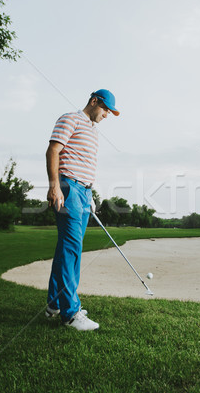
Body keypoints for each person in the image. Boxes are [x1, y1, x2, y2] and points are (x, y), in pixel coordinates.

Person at [45, 89, 120, 331]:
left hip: (83, 192)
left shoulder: (93, 132)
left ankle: (54, 304)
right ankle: (70, 314)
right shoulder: (71, 119)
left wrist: (90, 194)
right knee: (72, 250)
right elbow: (54, 150)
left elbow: (85, 164)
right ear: (94, 101)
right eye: (106, 109)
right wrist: (55, 186)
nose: (107, 115)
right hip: (68, 187)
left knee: (66, 249)